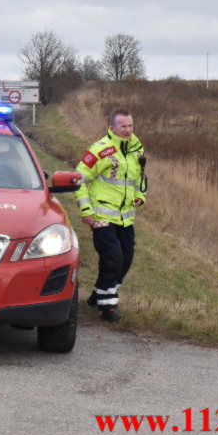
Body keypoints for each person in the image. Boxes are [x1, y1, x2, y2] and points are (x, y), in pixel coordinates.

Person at [73, 108, 147, 322]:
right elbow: (77, 180)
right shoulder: (100, 150)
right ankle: (109, 306)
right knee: (113, 258)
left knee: (126, 260)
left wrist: (141, 195)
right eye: (123, 126)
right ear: (112, 128)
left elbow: (140, 179)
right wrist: (86, 211)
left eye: (130, 125)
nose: (128, 130)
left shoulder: (136, 149)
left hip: (125, 217)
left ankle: (99, 294)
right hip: (101, 216)